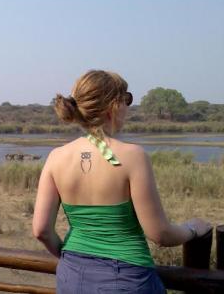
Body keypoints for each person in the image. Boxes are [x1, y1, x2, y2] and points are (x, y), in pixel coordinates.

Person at [32, 69, 211, 294]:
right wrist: (193, 228)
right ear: (113, 106)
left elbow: (40, 230)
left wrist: (72, 257)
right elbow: (160, 234)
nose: (128, 107)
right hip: (125, 279)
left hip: (72, 275)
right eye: (126, 99)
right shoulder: (133, 156)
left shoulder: (56, 157)